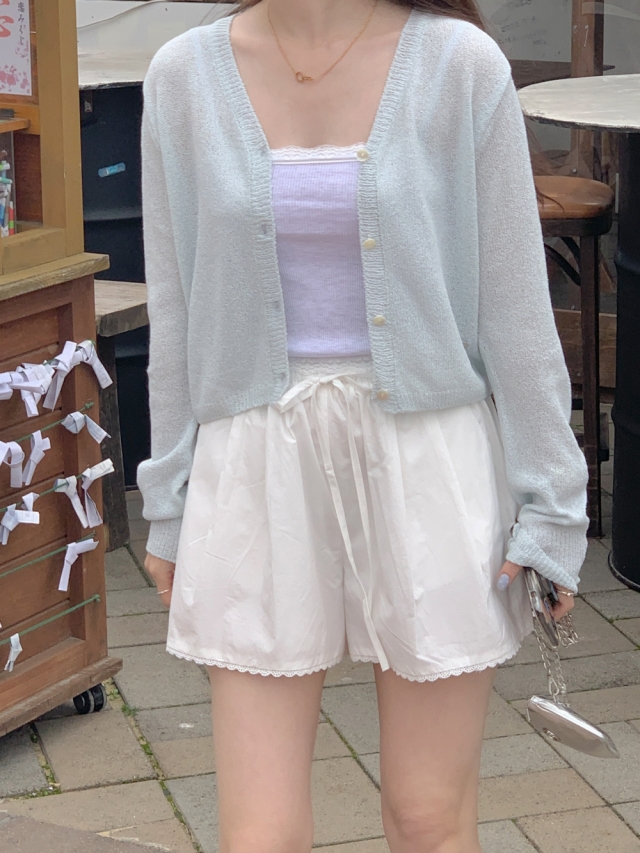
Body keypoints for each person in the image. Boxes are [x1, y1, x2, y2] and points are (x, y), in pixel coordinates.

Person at [138, 1, 588, 850]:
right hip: (256, 462)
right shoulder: (183, 78)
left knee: (426, 818)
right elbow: (177, 307)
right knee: (258, 835)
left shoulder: (461, 67)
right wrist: (168, 498)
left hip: (428, 460)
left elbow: (516, 313)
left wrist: (553, 507)